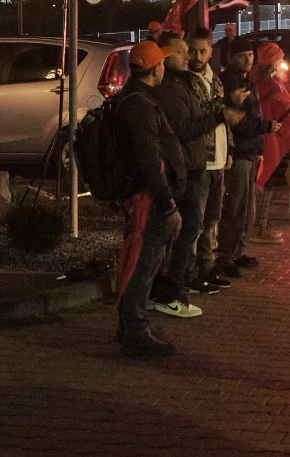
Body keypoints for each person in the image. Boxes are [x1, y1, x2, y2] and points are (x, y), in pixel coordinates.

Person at [112, 39, 187, 356]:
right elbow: (149, 161)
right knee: (144, 264)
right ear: (155, 68)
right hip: (148, 200)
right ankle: (136, 333)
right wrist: (168, 203)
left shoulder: (134, 99)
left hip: (146, 197)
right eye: (162, 64)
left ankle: (132, 327)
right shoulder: (140, 106)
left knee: (143, 262)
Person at [163, 29, 241, 303]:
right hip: (198, 162)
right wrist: (222, 113)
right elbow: (191, 124)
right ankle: (187, 276)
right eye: (186, 52)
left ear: (210, 52)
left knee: (209, 220)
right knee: (192, 226)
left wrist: (228, 147)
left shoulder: (213, 80)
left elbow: (220, 120)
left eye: (199, 51)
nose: (193, 57)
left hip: (215, 157)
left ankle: (201, 270)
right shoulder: (181, 84)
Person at [216, 36, 275, 279]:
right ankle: (225, 255)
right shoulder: (231, 81)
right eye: (242, 55)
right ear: (230, 58)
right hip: (240, 151)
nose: (248, 59)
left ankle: (237, 250)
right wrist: (264, 126)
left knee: (247, 206)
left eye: (250, 55)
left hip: (250, 150)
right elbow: (238, 120)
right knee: (236, 206)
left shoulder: (245, 79)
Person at [251, 41, 290, 246]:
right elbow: (283, 111)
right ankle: (259, 226)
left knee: (266, 184)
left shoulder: (265, 82)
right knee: (265, 184)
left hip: (270, 139)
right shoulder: (269, 84)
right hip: (269, 140)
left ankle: (262, 224)